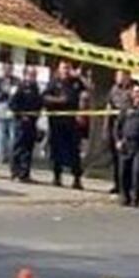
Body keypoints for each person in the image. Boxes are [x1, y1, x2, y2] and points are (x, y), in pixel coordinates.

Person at [42, 60, 83, 189]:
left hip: (72, 122)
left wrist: (79, 76)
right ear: (59, 69)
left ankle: (77, 179)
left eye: (68, 68)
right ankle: (57, 177)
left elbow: (90, 89)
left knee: (74, 152)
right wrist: (59, 100)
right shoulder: (54, 82)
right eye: (64, 68)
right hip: (57, 122)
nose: (66, 70)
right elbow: (45, 97)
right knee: (56, 150)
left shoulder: (75, 82)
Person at [10, 66, 43, 183]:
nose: (33, 77)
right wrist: (21, 115)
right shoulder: (20, 87)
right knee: (18, 148)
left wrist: (36, 116)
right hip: (21, 123)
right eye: (31, 74)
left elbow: (39, 104)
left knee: (28, 149)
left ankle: (25, 174)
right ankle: (15, 172)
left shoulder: (36, 89)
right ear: (25, 75)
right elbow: (13, 104)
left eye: (34, 74)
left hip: (32, 123)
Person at [106, 70, 133, 194]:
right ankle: (117, 184)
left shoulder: (134, 90)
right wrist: (105, 128)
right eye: (118, 77)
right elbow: (109, 108)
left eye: (122, 76)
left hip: (128, 126)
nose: (120, 79)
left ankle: (128, 186)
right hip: (115, 126)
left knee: (127, 158)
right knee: (116, 158)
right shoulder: (113, 90)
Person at [0, 62, 20, 164]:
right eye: (6, 69)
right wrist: (5, 92)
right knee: (1, 135)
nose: (8, 71)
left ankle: (12, 157)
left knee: (13, 135)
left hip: (13, 108)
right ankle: (1, 157)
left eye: (10, 68)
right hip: (1, 107)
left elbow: (18, 93)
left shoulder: (17, 81)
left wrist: (12, 92)